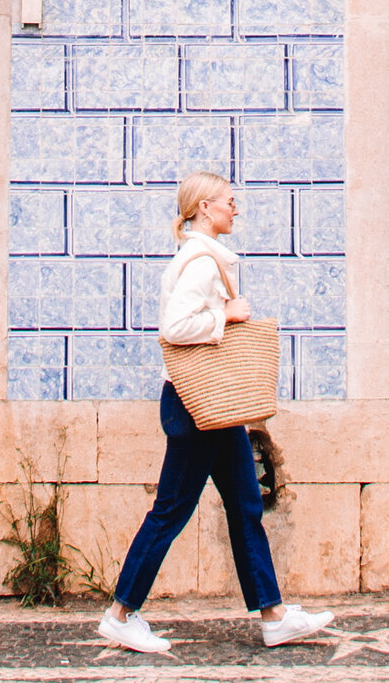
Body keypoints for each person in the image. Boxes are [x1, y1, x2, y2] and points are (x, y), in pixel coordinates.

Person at [94, 171, 337, 655]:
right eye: (229, 200)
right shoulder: (200, 263)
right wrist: (226, 315)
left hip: (214, 407)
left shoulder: (203, 258)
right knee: (170, 511)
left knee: (246, 506)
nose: (236, 207)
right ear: (205, 207)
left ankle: (274, 616)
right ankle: (121, 614)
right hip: (195, 406)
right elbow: (174, 326)